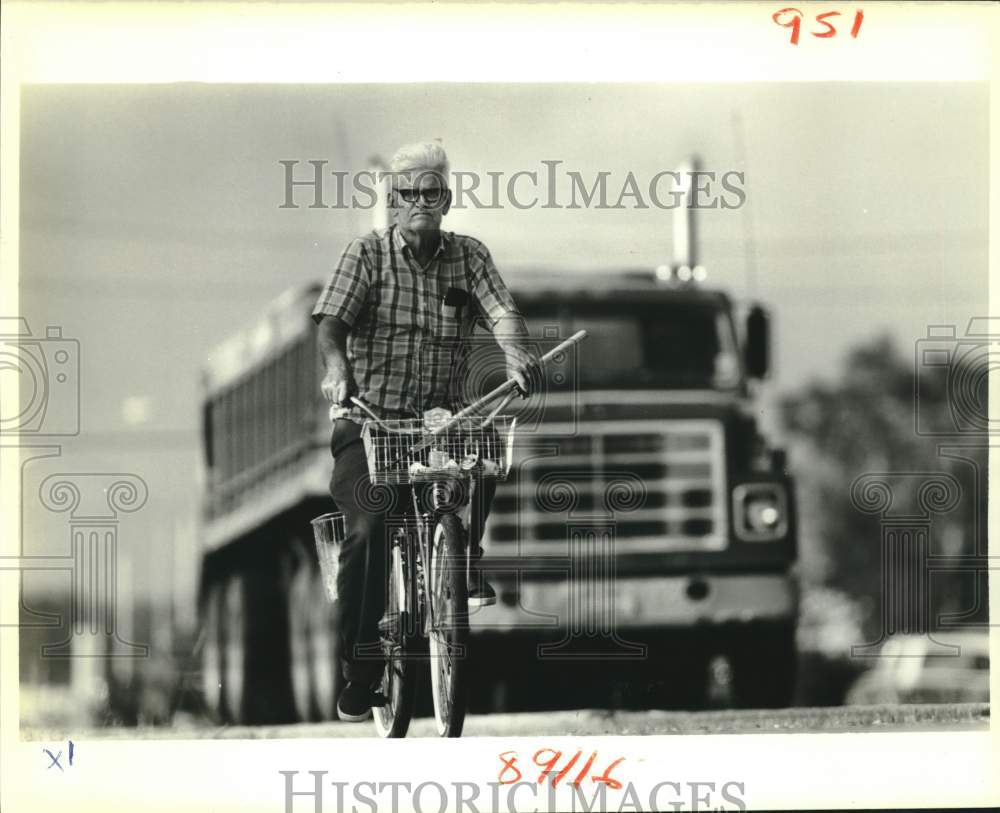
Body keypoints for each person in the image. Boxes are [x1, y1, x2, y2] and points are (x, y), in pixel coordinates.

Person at [312, 141, 538, 722]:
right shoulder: (365, 254)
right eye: (408, 192)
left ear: (446, 199)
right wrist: (337, 372)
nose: (420, 202)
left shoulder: (470, 257)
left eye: (431, 192)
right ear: (393, 200)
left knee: (486, 457)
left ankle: (463, 559)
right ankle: (361, 671)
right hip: (370, 423)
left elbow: (502, 311)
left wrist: (515, 354)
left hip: (440, 423)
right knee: (367, 527)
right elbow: (331, 327)